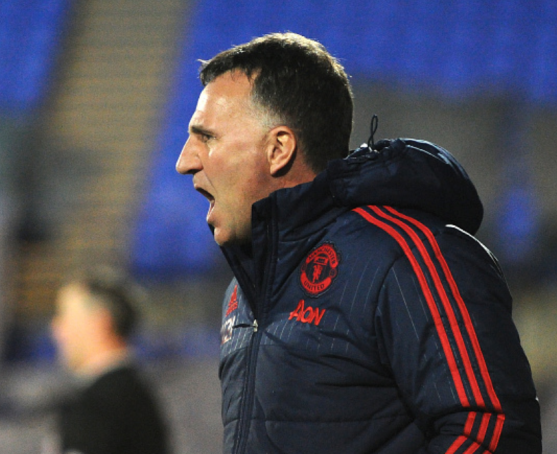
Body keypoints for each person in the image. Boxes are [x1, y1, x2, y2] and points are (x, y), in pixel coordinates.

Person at [175, 32, 542, 453]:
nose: (184, 160)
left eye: (207, 137)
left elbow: (493, 432)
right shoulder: (242, 291)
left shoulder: (407, 257)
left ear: (278, 149)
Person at [50, 267, 170, 454]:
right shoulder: (134, 395)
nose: (56, 329)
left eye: (64, 316)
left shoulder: (101, 404)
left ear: (99, 323)